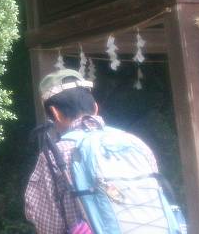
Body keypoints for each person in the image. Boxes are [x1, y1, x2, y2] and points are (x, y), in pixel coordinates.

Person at [25, 69, 170, 234]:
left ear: (55, 114)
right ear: (95, 108)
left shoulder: (55, 155)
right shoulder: (134, 142)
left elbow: (46, 222)